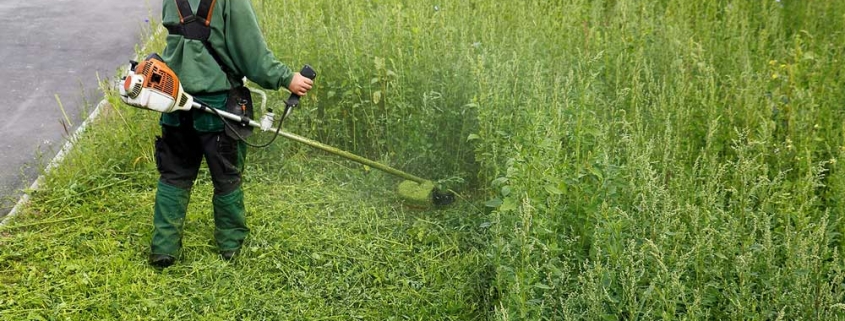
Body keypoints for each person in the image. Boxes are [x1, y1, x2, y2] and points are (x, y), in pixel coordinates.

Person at [148, 0, 313, 268]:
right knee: (227, 178)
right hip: (220, 108)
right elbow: (252, 54)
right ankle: (231, 246)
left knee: (174, 174)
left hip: (174, 101)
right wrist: (286, 78)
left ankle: (164, 248)